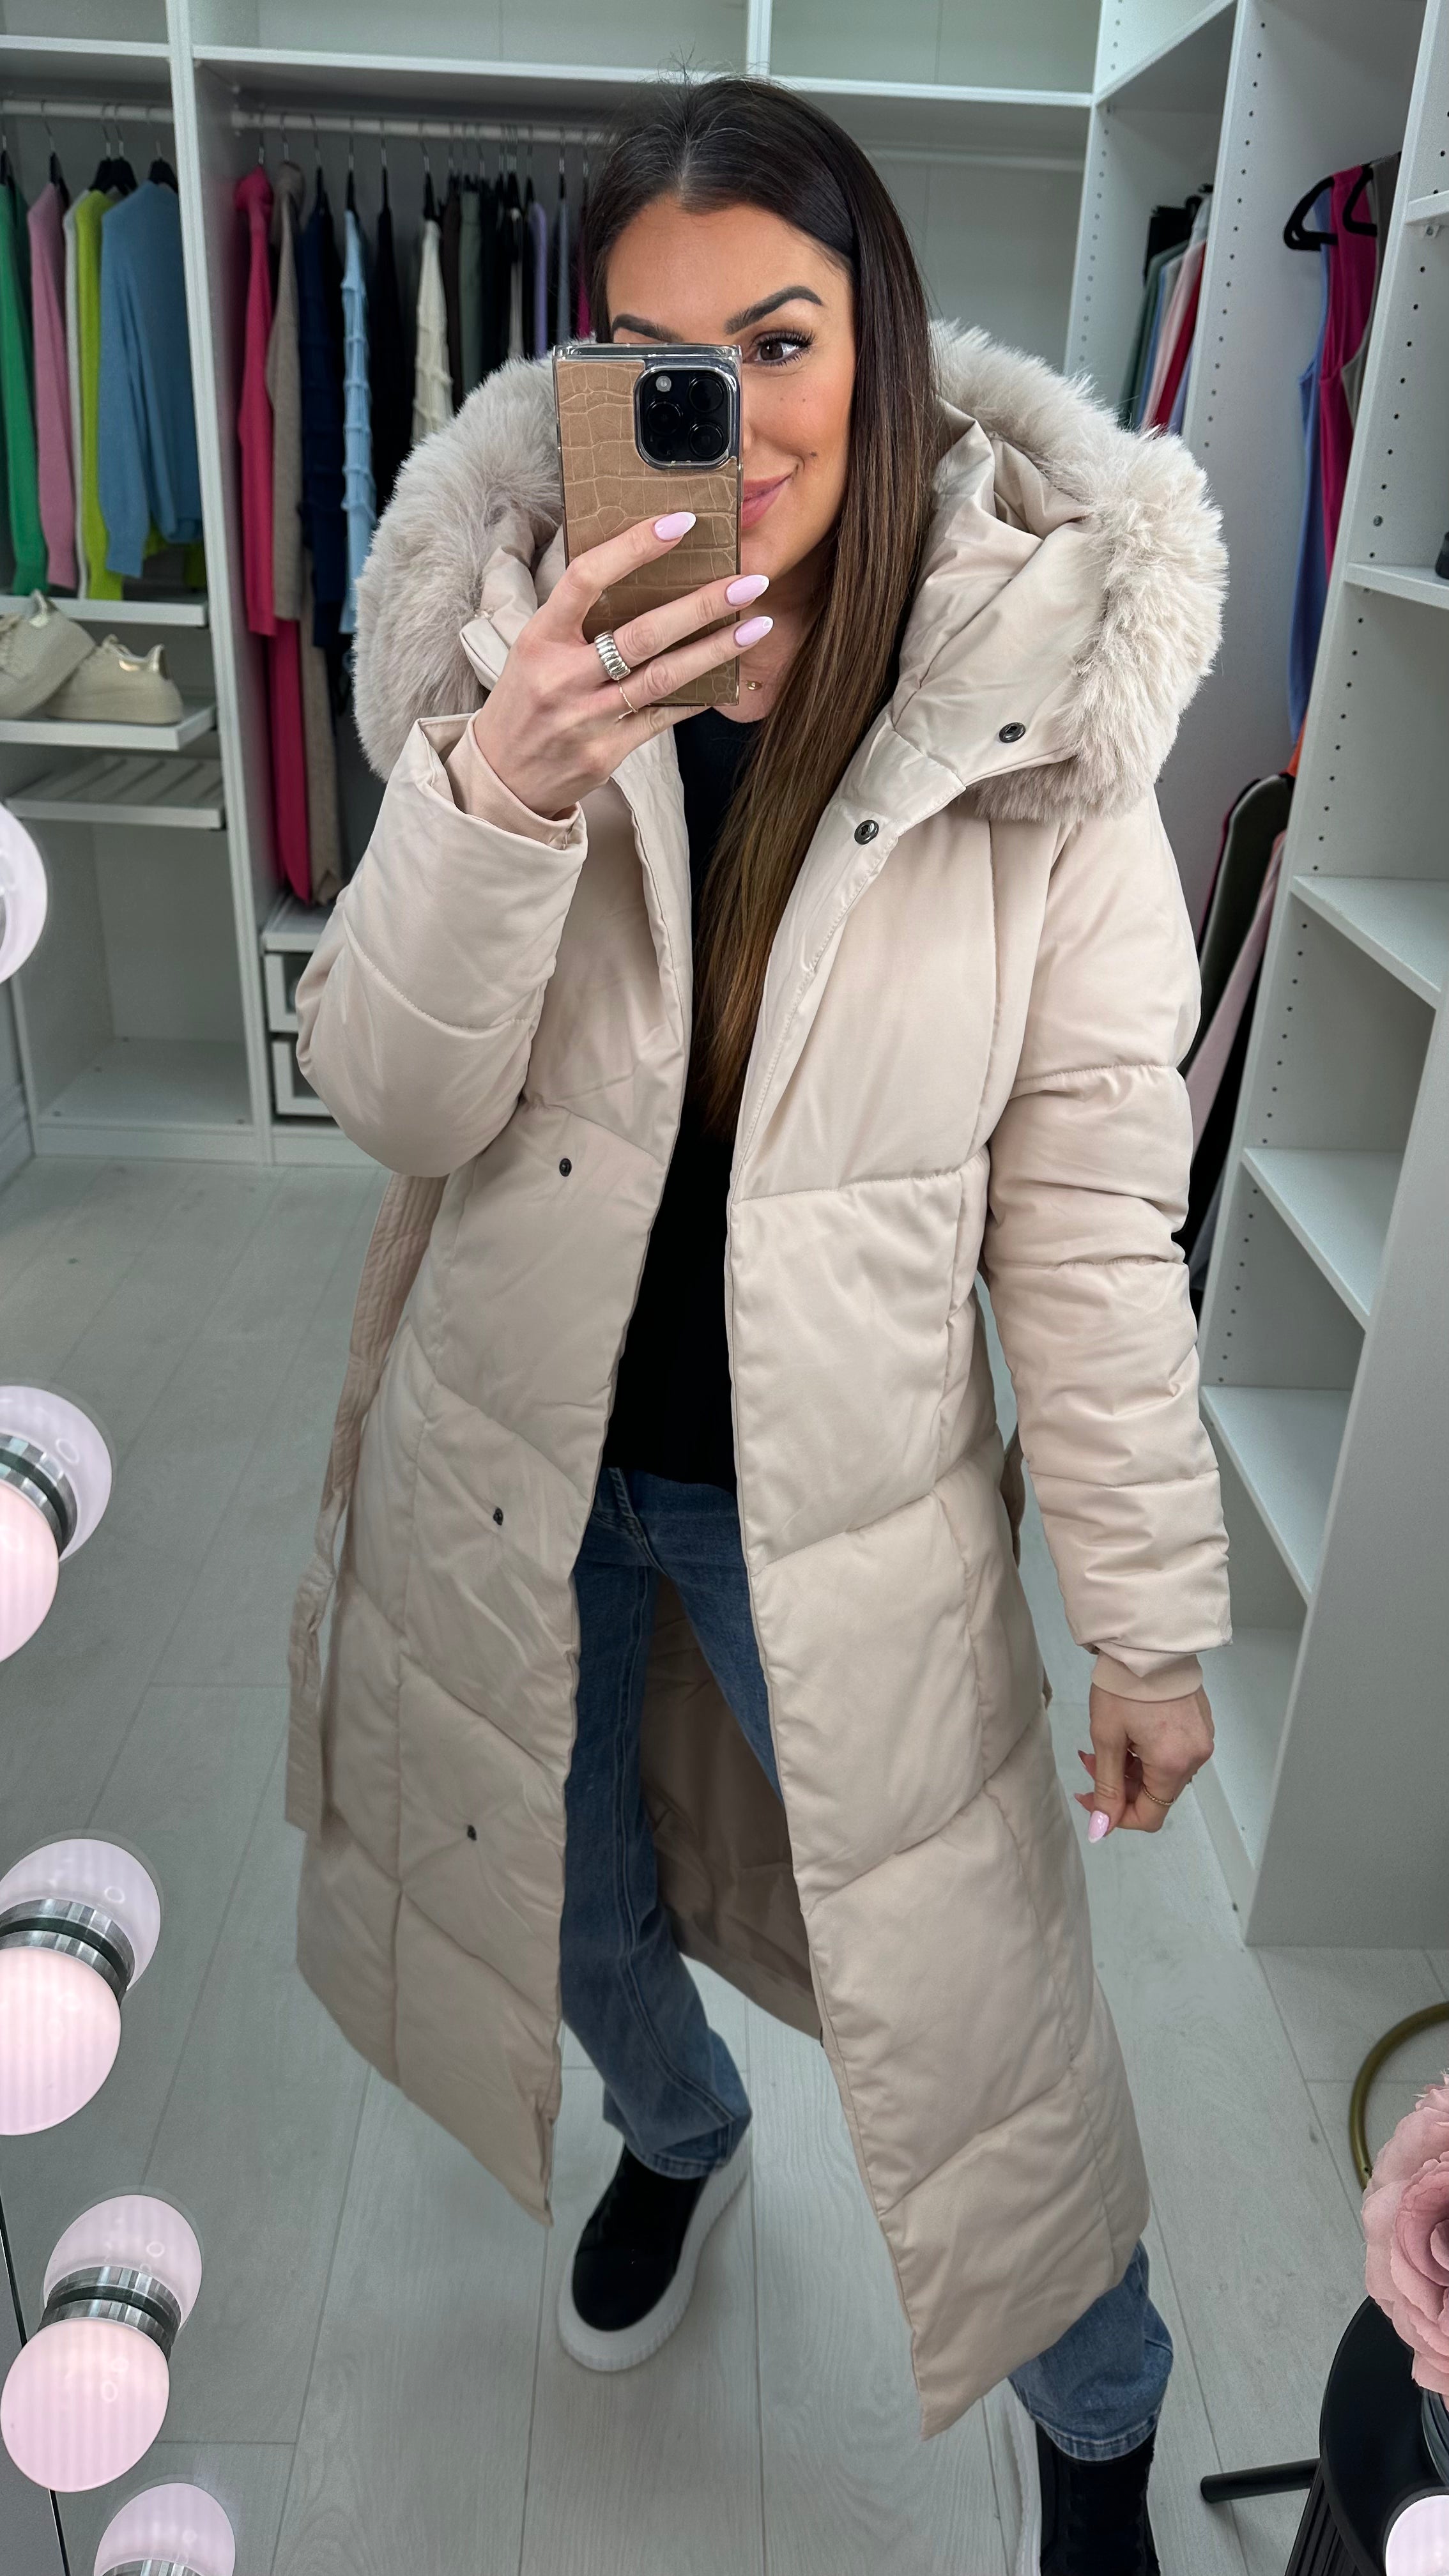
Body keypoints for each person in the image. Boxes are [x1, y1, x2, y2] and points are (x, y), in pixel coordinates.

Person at [287, 73, 1230, 2576]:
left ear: (882, 340)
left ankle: (1104, 2418)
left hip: (840, 1494)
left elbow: (1092, 1219)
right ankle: (681, 2130)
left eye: (781, 342)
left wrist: (1145, 1613)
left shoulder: (1034, 707)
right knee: (552, 1887)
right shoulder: (501, 627)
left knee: (979, 2006)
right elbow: (387, 1095)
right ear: (590, 378)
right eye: (656, 360)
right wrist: (501, 786)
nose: (730, 413)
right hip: (514, 1444)